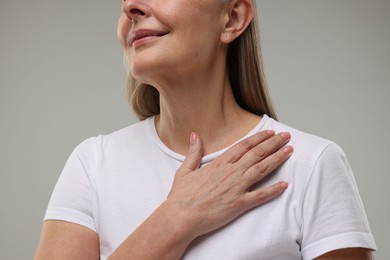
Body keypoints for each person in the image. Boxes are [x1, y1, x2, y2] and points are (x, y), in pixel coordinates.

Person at [35, 0, 376, 259]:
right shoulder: (92, 163)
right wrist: (176, 219)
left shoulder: (311, 165)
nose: (130, 6)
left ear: (232, 18)